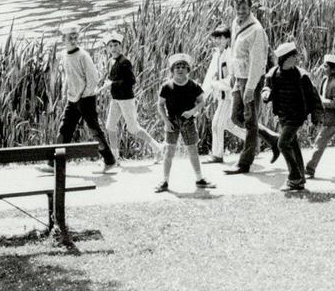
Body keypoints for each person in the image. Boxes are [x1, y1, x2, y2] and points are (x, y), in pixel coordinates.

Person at [42, 24, 117, 173]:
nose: (74, 40)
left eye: (76, 37)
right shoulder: (64, 54)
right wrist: (68, 91)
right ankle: (53, 164)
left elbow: (93, 77)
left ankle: (110, 161)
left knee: (94, 130)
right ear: (64, 39)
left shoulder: (83, 55)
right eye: (70, 38)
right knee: (64, 129)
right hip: (72, 99)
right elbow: (68, 76)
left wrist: (84, 94)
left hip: (86, 98)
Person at [225, 0, 281, 175]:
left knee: (250, 122)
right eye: (237, 7)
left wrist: (250, 88)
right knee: (235, 117)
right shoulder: (236, 23)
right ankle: (273, 139)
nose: (241, 11)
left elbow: (258, 62)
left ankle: (244, 163)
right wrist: (232, 75)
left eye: (244, 7)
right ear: (233, 8)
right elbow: (234, 52)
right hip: (238, 78)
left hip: (251, 79)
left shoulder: (256, 30)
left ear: (250, 7)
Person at [261, 42, 322, 192]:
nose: (296, 58)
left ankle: (294, 177)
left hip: (296, 116)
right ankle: (300, 179)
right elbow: (266, 87)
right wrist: (266, 94)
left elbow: (314, 97)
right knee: (293, 146)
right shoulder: (273, 74)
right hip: (283, 115)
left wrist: (316, 116)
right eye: (293, 56)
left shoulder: (302, 76)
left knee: (282, 144)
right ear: (284, 58)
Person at [155, 53, 215, 193]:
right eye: (177, 67)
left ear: (188, 70)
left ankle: (199, 179)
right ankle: (164, 181)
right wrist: (166, 121)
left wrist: (192, 111)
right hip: (172, 121)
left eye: (183, 67)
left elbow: (201, 101)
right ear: (172, 70)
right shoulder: (166, 86)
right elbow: (160, 105)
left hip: (188, 121)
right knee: (169, 151)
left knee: (192, 150)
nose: (180, 69)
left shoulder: (193, 85)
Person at [100, 32, 162, 161]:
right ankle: (114, 158)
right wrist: (107, 83)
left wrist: (113, 83)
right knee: (110, 127)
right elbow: (113, 78)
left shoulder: (125, 62)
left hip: (126, 99)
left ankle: (157, 147)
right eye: (110, 46)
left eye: (116, 45)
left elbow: (131, 81)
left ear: (120, 46)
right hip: (116, 99)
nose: (113, 48)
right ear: (107, 48)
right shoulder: (112, 61)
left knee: (133, 129)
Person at [201, 25, 238, 164]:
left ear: (228, 39)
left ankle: (217, 155)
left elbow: (231, 79)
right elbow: (210, 76)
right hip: (222, 94)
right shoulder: (217, 54)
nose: (217, 40)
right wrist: (203, 95)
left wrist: (215, 84)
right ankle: (253, 141)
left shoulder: (229, 55)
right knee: (228, 123)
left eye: (221, 38)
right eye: (215, 37)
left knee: (217, 123)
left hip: (229, 95)